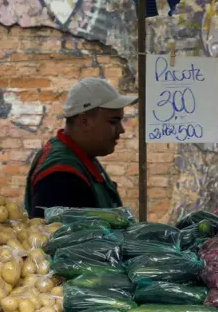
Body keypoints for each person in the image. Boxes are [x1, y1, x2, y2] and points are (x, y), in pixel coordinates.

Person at [24, 78, 137, 218]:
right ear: (84, 121)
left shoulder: (81, 157)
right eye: (113, 122)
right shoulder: (61, 177)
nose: (121, 130)